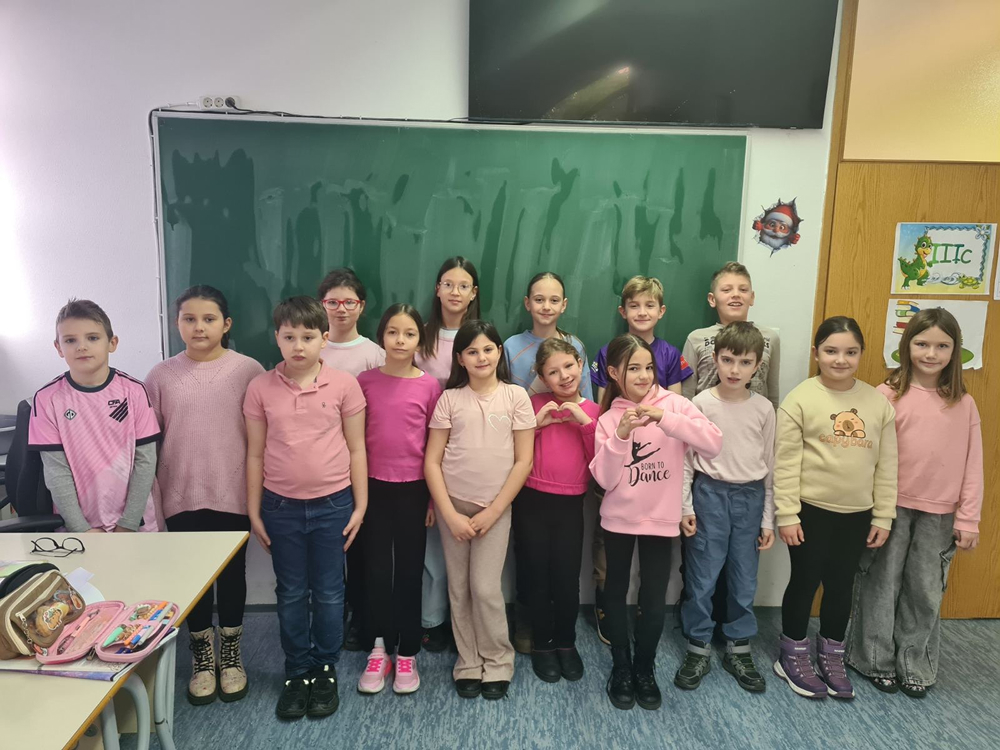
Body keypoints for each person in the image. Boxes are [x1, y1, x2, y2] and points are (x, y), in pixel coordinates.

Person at [846, 308, 983, 699]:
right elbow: (866, 454)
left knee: (924, 591)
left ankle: (914, 665)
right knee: (881, 583)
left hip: (939, 514)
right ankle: (873, 659)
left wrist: (969, 518)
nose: (931, 353)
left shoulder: (963, 403)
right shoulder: (887, 394)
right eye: (922, 344)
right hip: (889, 509)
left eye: (942, 346)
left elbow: (973, 463)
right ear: (907, 346)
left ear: (955, 351)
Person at [244, 296, 368, 720]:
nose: (299, 345)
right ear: (276, 338)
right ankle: (297, 670)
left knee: (331, 592)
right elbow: (255, 454)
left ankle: (325, 668)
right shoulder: (260, 387)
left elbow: (357, 448)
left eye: (308, 337)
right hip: (280, 506)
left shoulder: (344, 385)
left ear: (324, 338)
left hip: (334, 504)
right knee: (292, 591)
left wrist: (361, 505)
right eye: (289, 336)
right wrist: (255, 511)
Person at [590, 334, 722, 711]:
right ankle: (621, 665)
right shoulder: (609, 418)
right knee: (615, 592)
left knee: (652, 597)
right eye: (633, 368)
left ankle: (644, 667)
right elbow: (604, 479)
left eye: (649, 367)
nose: (644, 375)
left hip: (661, 521)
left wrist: (666, 419)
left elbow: (713, 443)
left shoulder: (675, 405)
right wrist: (621, 436)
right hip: (618, 520)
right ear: (614, 373)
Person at [146, 285, 264, 705]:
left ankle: (230, 656)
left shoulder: (249, 370)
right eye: (189, 319)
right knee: (193, 578)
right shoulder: (160, 376)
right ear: (176, 324)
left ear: (226, 324)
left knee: (232, 575)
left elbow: (262, 438)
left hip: (234, 492)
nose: (199, 327)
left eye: (209, 319)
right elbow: (148, 444)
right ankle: (202, 656)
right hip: (179, 494)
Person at [773, 316, 897, 700]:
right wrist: (786, 513)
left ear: (861, 354)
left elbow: (887, 465)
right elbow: (785, 463)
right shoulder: (800, 399)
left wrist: (883, 515)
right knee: (805, 581)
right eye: (831, 351)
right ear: (816, 353)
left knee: (842, 585)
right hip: (809, 512)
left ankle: (831, 654)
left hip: (857, 515)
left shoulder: (878, 404)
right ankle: (791, 653)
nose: (840, 360)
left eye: (850, 352)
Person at [424, 320, 535, 700]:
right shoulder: (449, 399)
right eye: (472, 351)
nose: (481, 357)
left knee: (485, 587)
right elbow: (432, 461)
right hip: (453, 508)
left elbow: (523, 461)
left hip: (495, 509)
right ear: (460, 359)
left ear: (499, 352)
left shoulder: (516, 397)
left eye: (488, 349)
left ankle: (498, 659)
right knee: (458, 587)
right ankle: (468, 660)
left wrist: (494, 510)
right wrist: (448, 514)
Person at [589, 276, 692, 644]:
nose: (642, 312)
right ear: (623, 311)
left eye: (650, 305)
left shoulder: (670, 354)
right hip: (618, 467)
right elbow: (606, 406)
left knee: (653, 573)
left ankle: (644, 623)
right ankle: (608, 611)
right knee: (610, 556)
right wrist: (617, 437)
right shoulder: (608, 352)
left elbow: (676, 411)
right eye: (635, 305)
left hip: (658, 478)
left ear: (661, 311)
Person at [675, 322, 775, 693]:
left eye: (745, 362)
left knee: (744, 578)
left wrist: (768, 519)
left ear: (757, 365)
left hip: (750, 499)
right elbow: (686, 460)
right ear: (715, 359)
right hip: (709, 496)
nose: (735, 369)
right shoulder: (701, 404)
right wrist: (685, 507)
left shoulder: (763, 408)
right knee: (702, 577)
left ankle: (739, 646)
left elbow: (770, 466)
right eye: (728, 360)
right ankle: (698, 645)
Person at [503, 270, 592, 654]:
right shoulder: (511, 346)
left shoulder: (576, 346)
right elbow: (505, 401)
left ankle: (562, 634)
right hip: (526, 464)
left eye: (554, 299)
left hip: (568, 477)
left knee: (563, 566)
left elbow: (586, 406)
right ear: (527, 303)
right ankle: (529, 625)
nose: (546, 306)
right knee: (530, 559)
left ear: (564, 305)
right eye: (539, 299)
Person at [355, 304, 442, 695]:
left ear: (419, 340)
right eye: (393, 332)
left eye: (409, 334)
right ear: (381, 336)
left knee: (409, 571)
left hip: (414, 490)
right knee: (376, 570)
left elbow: (435, 448)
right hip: (372, 487)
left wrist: (431, 502)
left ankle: (407, 651)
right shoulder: (365, 382)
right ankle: (379, 647)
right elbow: (355, 441)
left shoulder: (430, 386)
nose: (400, 340)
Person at [29, 299, 160, 535]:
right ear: (58, 347)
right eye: (70, 340)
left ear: (112, 343)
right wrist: (82, 530)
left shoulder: (134, 392)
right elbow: (56, 472)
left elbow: (146, 462)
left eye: (92, 338)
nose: (82, 347)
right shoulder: (47, 399)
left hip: (134, 525)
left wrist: (128, 524)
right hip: (77, 529)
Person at [515, 338, 598, 683]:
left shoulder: (594, 411)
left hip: (570, 505)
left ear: (580, 364)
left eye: (568, 366)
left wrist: (584, 423)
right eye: (553, 372)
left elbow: (599, 463)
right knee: (535, 576)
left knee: (566, 578)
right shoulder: (532, 403)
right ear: (542, 377)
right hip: (531, 500)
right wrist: (537, 424)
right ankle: (543, 644)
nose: (563, 376)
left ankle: (566, 642)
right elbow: (514, 451)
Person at [415, 256, 481, 652]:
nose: (455, 292)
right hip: (424, 449)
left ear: (474, 294)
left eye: (464, 285)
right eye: (448, 284)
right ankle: (433, 619)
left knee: (471, 548)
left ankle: (468, 623)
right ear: (437, 289)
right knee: (434, 548)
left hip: (470, 452)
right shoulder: (417, 336)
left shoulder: (481, 338)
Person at [316, 267, 384, 652]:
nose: (341, 309)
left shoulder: (374, 354)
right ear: (322, 305)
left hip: (362, 466)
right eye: (332, 302)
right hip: (319, 467)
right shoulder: (310, 348)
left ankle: (360, 616)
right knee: (325, 552)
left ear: (361, 306)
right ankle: (331, 614)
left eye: (349, 302)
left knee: (360, 550)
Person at [681, 262, 780, 407]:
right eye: (727, 290)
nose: (736, 295)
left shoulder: (770, 337)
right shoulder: (696, 339)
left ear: (752, 297)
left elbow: (772, 392)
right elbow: (686, 394)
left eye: (743, 290)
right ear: (712, 299)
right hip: (706, 417)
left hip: (753, 417)